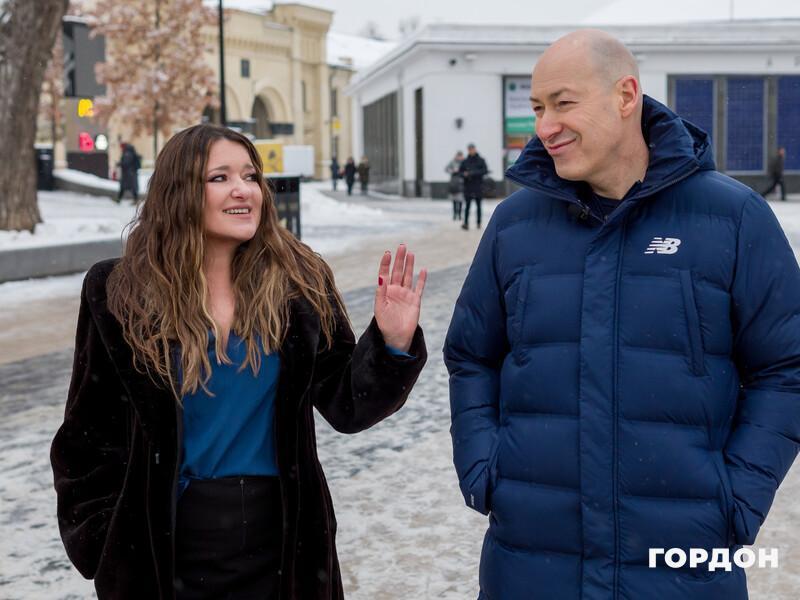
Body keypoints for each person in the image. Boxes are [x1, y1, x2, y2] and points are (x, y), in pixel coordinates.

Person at [444, 29, 800, 600]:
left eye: (563, 103)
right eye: (538, 108)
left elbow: (786, 367)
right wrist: (485, 469)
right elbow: (471, 356)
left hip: (684, 564)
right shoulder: (514, 224)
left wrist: (737, 496)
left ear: (626, 95)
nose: (545, 127)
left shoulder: (733, 218)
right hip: (532, 563)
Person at [51, 124, 429, 599]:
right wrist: (103, 542)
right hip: (162, 552)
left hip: (285, 547)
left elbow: (347, 404)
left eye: (251, 176)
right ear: (178, 191)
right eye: (220, 177)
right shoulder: (118, 292)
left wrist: (392, 342)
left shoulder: (300, 283)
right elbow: (87, 435)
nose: (243, 190)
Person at [458, 143, 488, 230]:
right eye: (469, 149)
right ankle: (466, 223)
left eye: (472, 149)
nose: (471, 151)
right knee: (467, 206)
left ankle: (478, 223)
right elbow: (460, 173)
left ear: (475, 149)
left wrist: (473, 173)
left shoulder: (481, 160)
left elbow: (485, 171)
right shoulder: (465, 161)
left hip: (478, 186)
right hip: (468, 186)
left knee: (478, 206)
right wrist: (464, 174)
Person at [445, 151, 464, 221]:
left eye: (460, 156)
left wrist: (461, 172)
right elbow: (446, 169)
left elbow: (466, 170)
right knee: (454, 200)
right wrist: (453, 171)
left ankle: (459, 214)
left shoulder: (464, 162)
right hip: (454, 183)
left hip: (461, 183)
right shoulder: (452, 162)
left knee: (461, 200)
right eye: (458, 156)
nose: (459, 157)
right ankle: (455, 214)